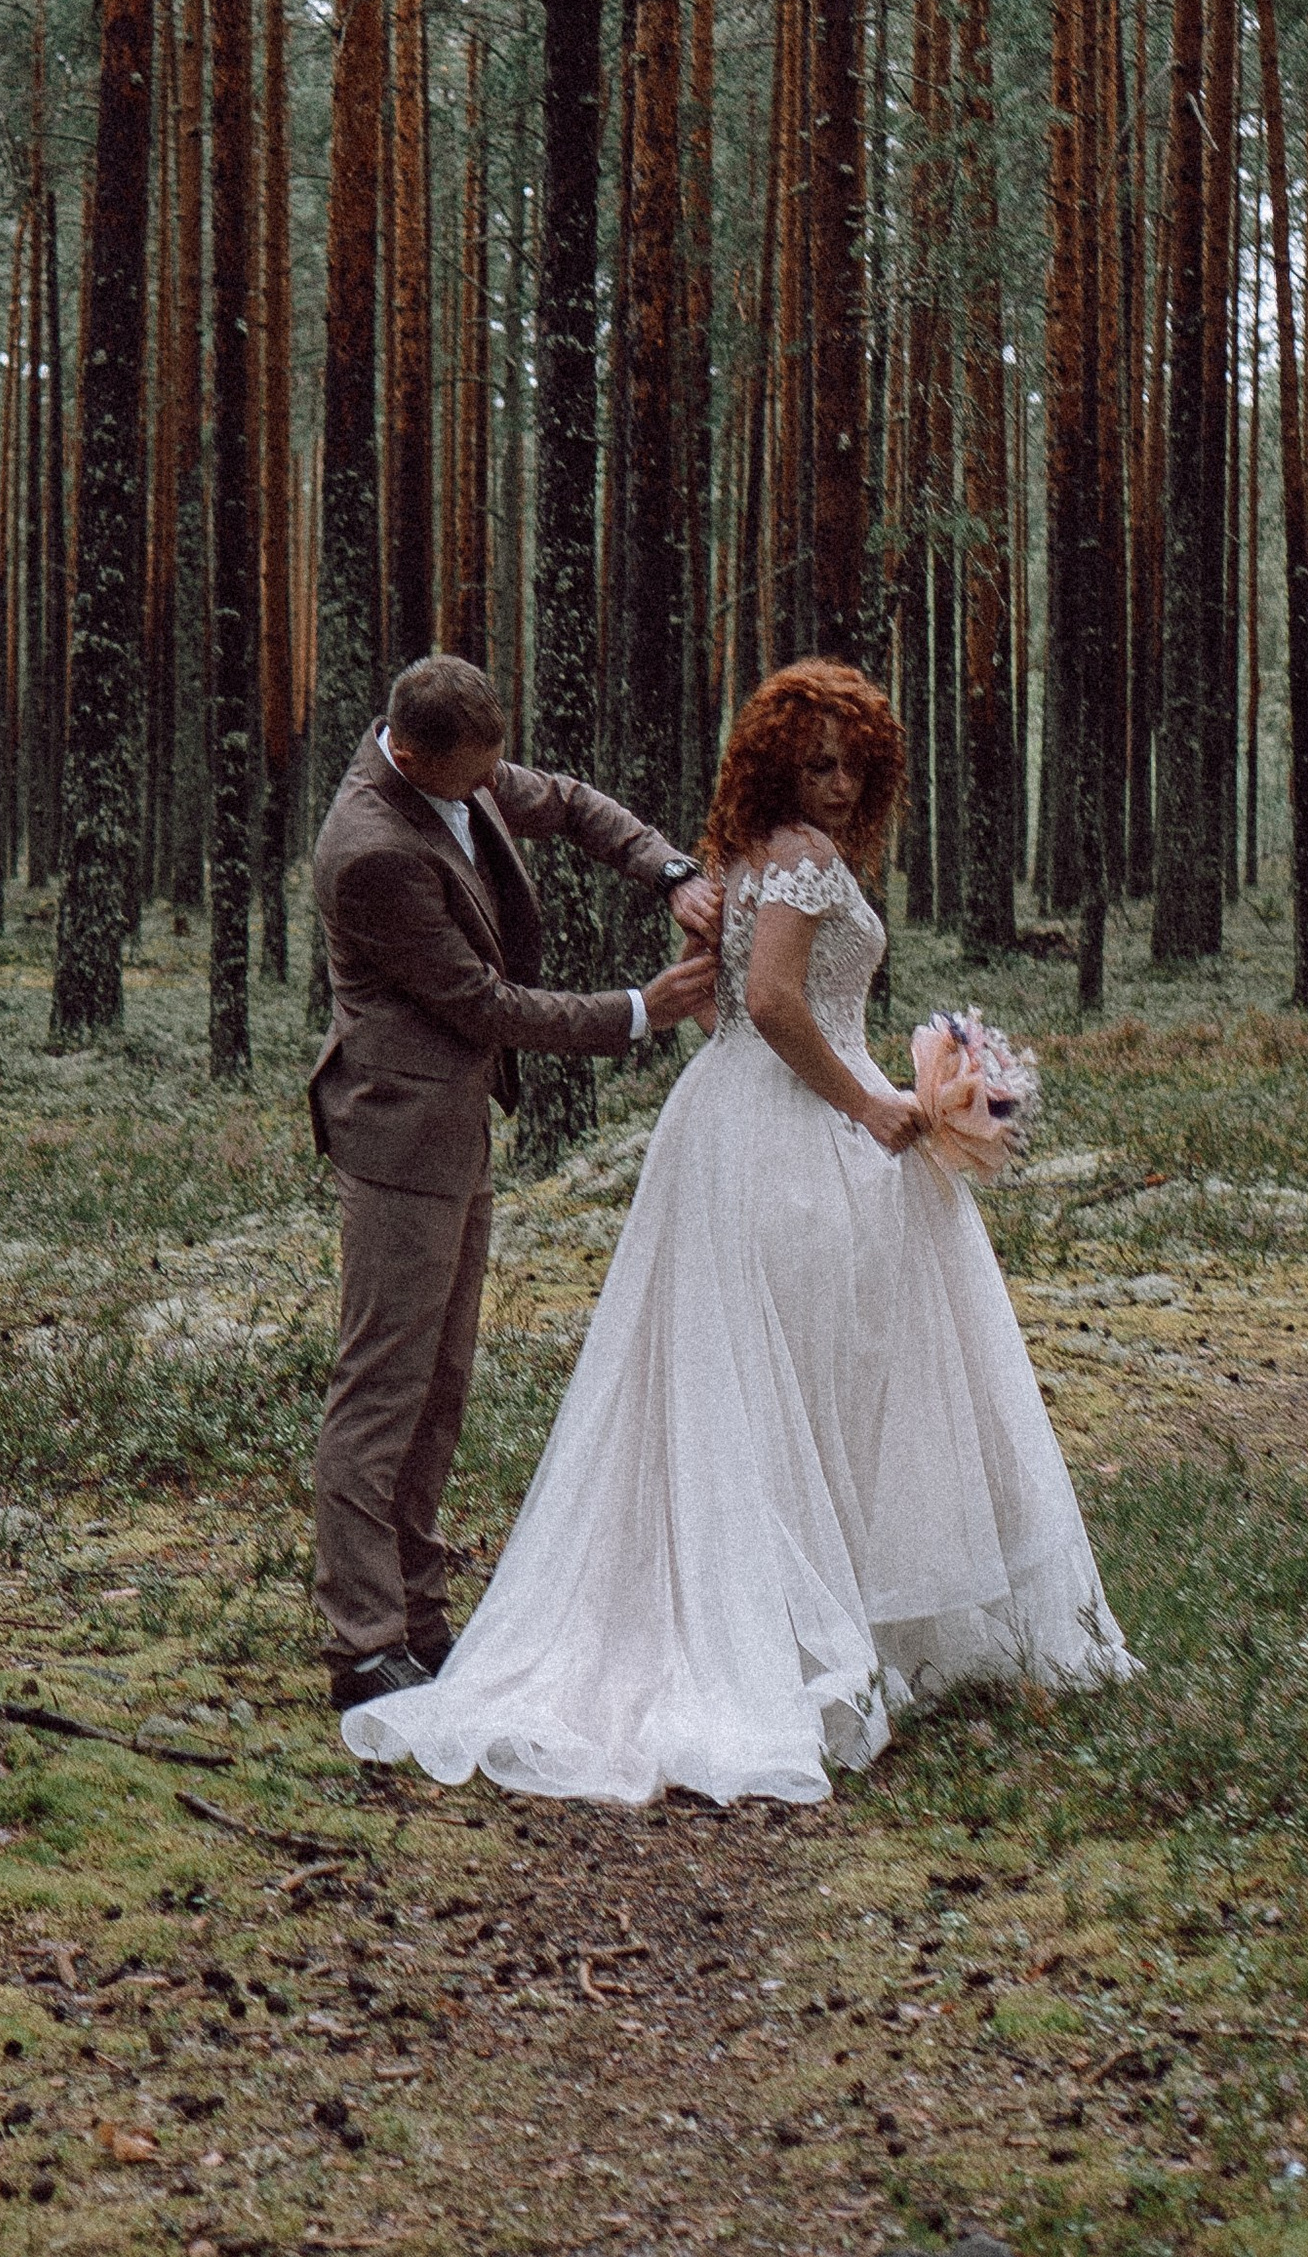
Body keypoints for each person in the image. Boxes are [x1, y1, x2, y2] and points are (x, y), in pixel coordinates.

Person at [342, 656, 1134, 1805]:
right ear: (775, 764)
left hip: (730, 1122)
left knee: (765, 1376)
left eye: (859, 767)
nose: (842, 788)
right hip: (791, 1127)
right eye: (819, 764)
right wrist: (867, 1098)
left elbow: (622, 877)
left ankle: (797, 1606)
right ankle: (785, 1628)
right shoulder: (796, 863)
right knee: (810, 1370)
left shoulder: (740, 858)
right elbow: (764, 1003)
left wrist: (918, 1069)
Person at [306, 654, 721, 1713]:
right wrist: (643, 1009)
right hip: (398, 1141)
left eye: (495, 766)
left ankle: (419, 1611)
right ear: (409, 753)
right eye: (469, 776)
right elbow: (484, 1004)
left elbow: (570, 804)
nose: (490, 787)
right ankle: (362, 1644)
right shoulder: (370, 855)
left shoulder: (458, 766)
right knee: (381, 1387)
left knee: (439, 1387)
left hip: (457, 1133)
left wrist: (668, 869)